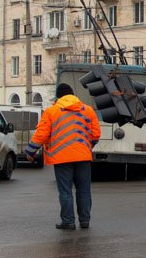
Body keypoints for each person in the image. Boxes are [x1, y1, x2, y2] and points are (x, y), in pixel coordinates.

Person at [25, 83, 101, 230]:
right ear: (72, 94)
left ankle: (68, 221)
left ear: (58, 96)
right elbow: (96, 134)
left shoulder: (51, 111)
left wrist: (30, 152)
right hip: (83, 157)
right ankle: (85, 221)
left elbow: (41, 134)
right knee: (84, 190)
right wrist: (87, 147)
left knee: (65, 191)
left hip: (61, 158)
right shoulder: (88, 111)